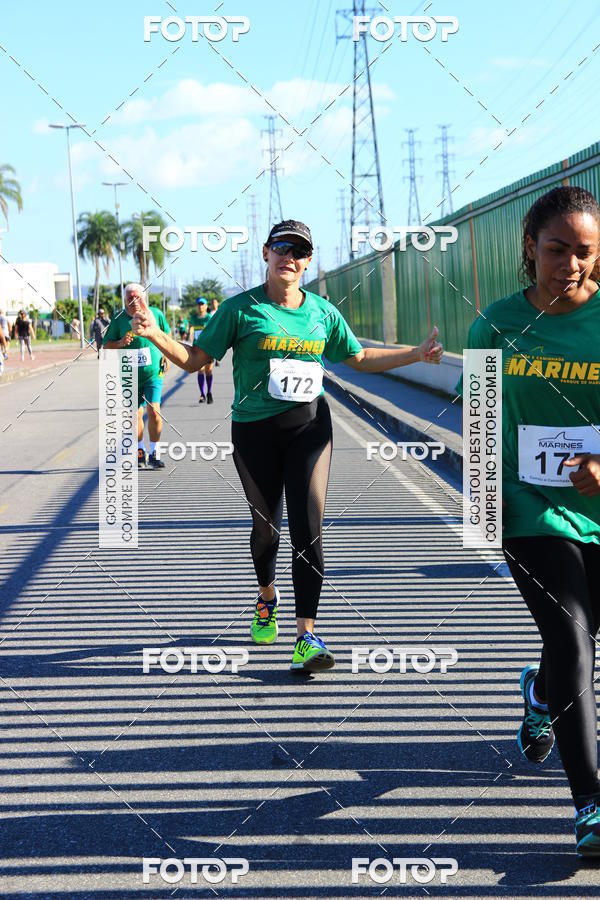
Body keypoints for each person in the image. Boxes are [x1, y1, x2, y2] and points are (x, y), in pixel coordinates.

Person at [131, 219, 442, 672]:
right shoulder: (240, 310)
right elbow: (196, 359)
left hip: (310, 428)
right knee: (267, 531)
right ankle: (266, 596)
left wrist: (416, 353)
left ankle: (306, 636)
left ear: (308, 262)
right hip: (254, 432)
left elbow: (357, 357)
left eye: (299, 252)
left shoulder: (322, 312)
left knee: (308, 528)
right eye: (282, 248)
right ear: (266, 252)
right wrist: (154, 334)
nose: (289, 258)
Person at [463, 186, 600, 856]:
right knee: (573, 640)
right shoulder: (493, 325)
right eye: (556, 249)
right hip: (529, 507)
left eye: (585, 251)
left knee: (581, 635)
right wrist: (483, 519)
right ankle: (590, 805)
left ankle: (539, 694)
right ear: (530, 246)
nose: (570, 264)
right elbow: (480, 426)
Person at [103, 283, 171, 469]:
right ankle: (140, 451)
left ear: (144, 297)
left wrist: (167, 356)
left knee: (154, 411)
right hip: (129, 376)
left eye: (137, 297)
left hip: (153, 374)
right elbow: (106, 345)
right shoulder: (118, 318)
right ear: (125, 300)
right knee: (135, 415)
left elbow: (167, 335)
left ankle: (155, 452)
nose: (133, 301)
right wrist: (120, 342)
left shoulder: (155, 314)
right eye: (129, 298)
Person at [187, 298, 214, 403]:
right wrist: (189, 335)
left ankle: (209, 392)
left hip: (208, 348)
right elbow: (191, 327)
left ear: (206, 306)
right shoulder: (193, 318)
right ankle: (202, 394)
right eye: (199, 304)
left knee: (209, 371)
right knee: (200, 370)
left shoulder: (209, 318)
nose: (200, 306)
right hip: (197, 347)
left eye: (202, 304)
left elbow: (214, 330)